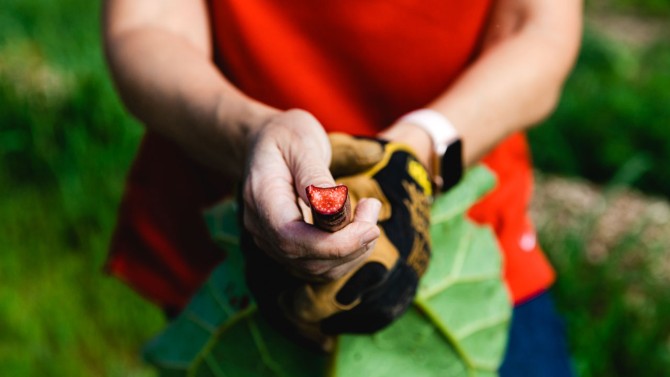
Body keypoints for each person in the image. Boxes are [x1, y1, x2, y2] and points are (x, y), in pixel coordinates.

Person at [102, 0, 582, 375]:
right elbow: (147, 26)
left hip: (465, 225)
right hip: (225, 234)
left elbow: (538, 29)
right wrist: (249, 135)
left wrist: (421, 148)